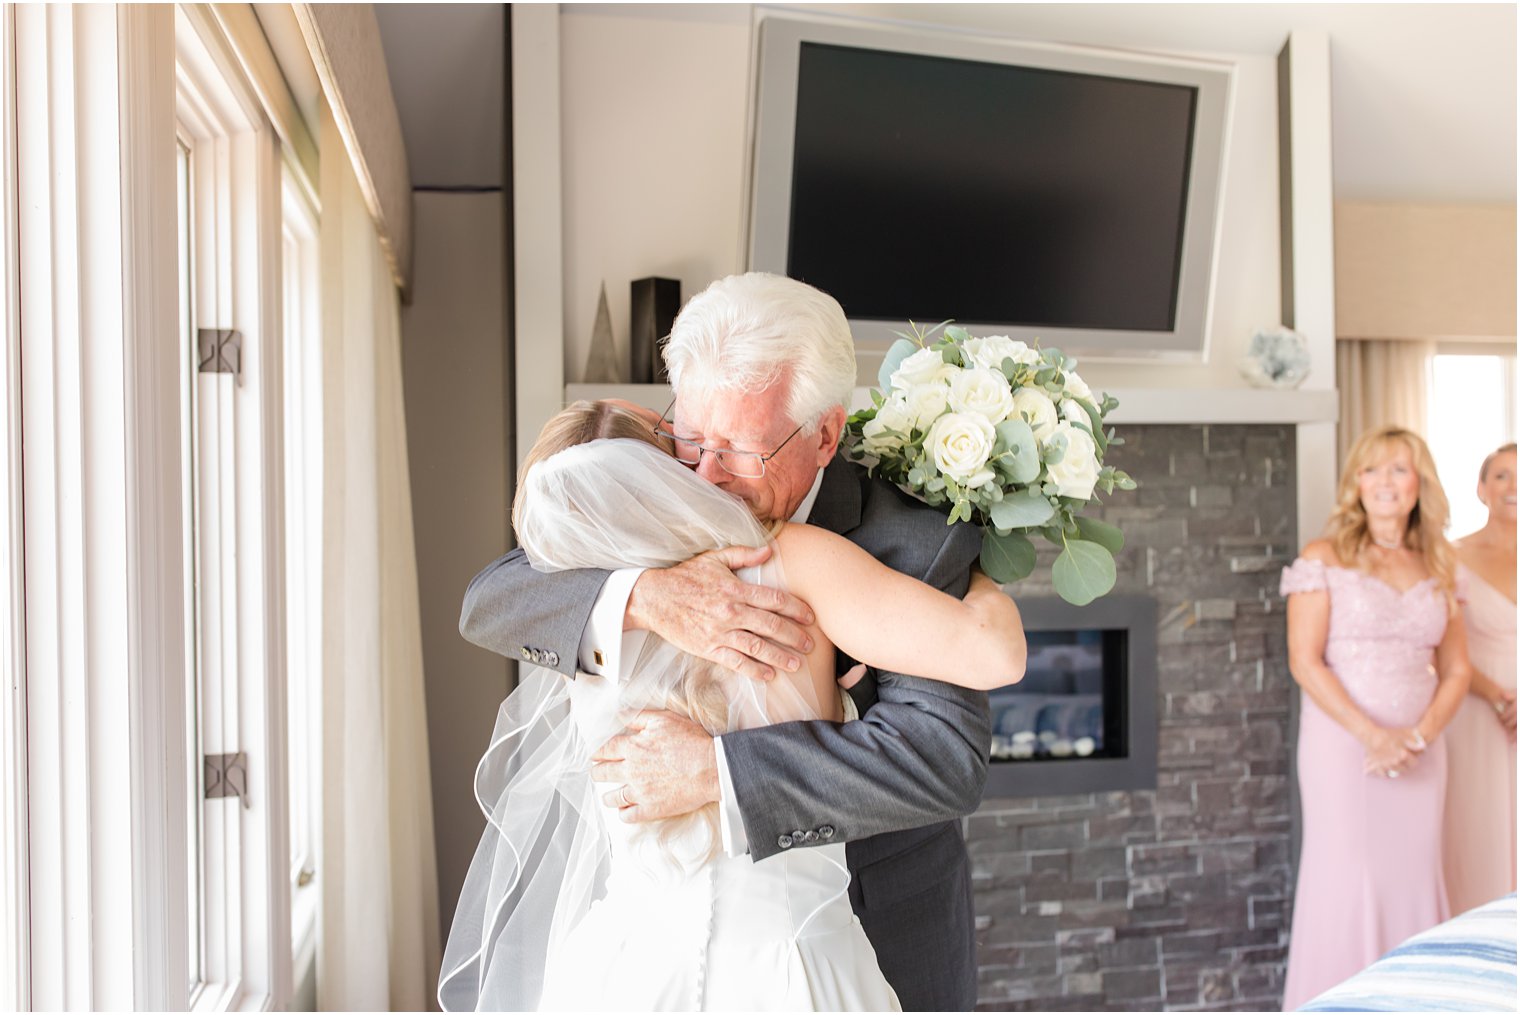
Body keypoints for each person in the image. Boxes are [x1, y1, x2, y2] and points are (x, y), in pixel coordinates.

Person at [455, 273, 996, 1011]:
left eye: (738, 450)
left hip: (875, 924)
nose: (705, 477)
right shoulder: (656, 481)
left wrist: (718, 770)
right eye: (692, 436)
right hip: (660, 945)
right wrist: (646, 597)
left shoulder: (910, 541)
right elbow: (495, 597)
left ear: (825, 434)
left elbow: (943, 761)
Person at [1279, 426, 1473, 1010]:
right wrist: (1374, 737)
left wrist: (1415, 737)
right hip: (1343, 750)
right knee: (1347, 874)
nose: (1384, 482)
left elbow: (1458, 670)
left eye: (1398, 469)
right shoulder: (1323, 557)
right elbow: (1304, 661)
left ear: (1420, 484)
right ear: (1355, 483)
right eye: (1371, 470)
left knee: (1414, 874)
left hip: (1422, 751)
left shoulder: (1440, 562)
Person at [1443, 442, 1517, 915]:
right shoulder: (1451, 556)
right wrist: (1499, 696)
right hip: (1478, 710)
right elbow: (1439, 644)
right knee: (1479, 832)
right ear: (1481, 488)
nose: (1514, 487)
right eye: (1503, 476)